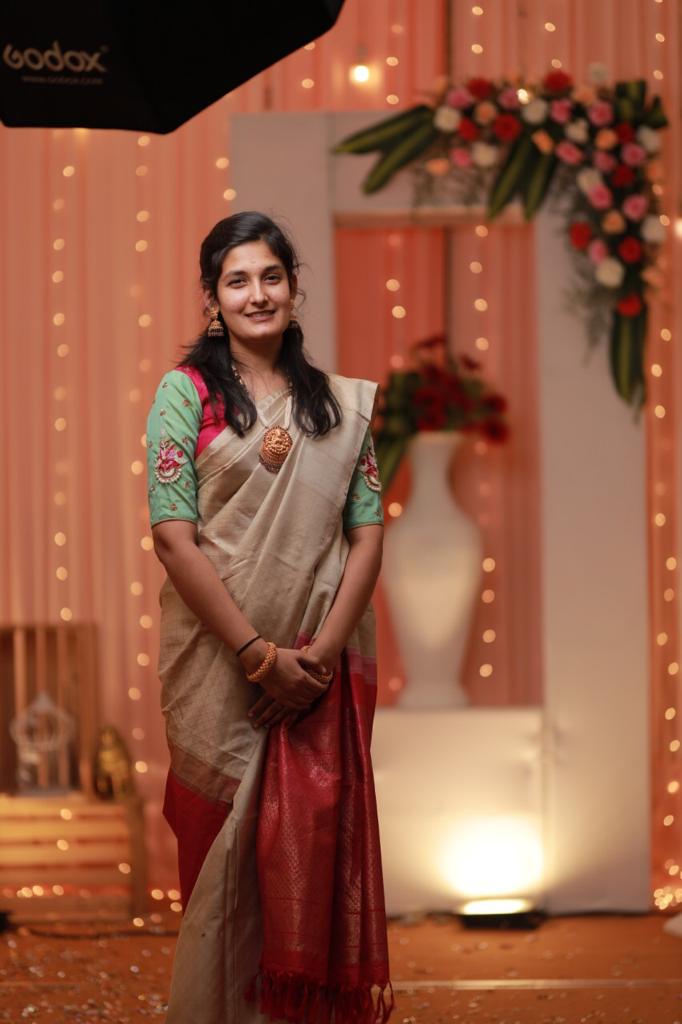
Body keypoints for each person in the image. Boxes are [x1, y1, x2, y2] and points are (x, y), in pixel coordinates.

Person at [145, 211, 393, 1024]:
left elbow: (367, 536)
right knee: (218, 856)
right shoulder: (186, 394)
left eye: (271, 277)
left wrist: (315, 662)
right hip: (216, 673)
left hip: (313, 672)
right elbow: (173, 538)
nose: (257, 294)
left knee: (305, 855)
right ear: (213, 298)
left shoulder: (339, 408)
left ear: (293, 288)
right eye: (238, 280)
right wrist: (258, 656)